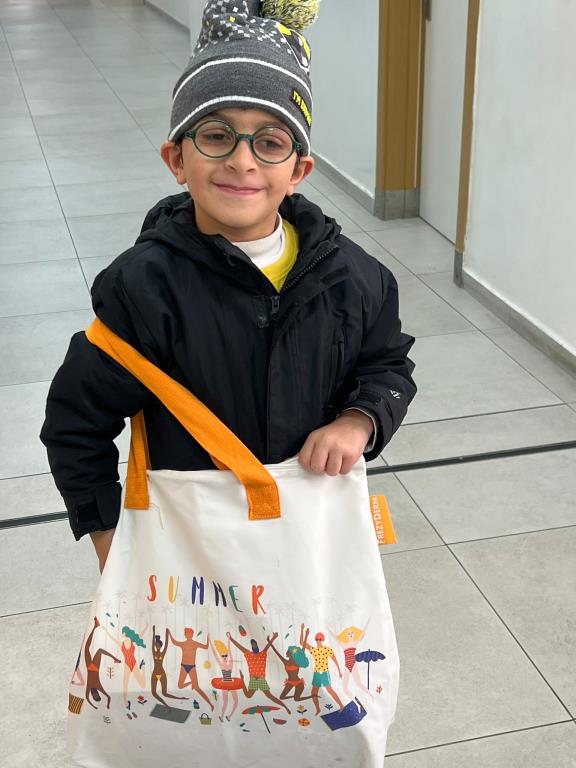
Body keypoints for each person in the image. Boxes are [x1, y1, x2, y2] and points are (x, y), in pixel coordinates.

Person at [40, 1, 416, 573]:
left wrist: (358, 420)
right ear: (177, 159)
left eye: (271, 142)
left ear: (298, 171)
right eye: (217, 135)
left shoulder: (357, 279)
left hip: (308, 542)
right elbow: (76, 421)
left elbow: (387, 366)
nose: (243, 161)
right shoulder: (143, 289)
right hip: (192, 552)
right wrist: (108, 534)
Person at [227, 631, 291, 714]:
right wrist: (231, 639)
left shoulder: (263, 654)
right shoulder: (248, 654)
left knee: (270, 696)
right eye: (252, 645)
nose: (254, 646)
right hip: (253, 680)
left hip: (261, 679)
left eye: (255, 644)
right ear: (251, 647)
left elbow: (268, 645)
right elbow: (239, 646)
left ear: (257, 645)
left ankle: (285, 707)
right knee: (248, 695)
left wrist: (273, 637)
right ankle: (242, 680)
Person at [167, 627, 215, 711]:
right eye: (185, 633)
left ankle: (210, 704)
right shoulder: (183, 644)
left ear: (190, 634)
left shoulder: (195, 644)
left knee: (197, 688)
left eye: (186, 633)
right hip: (184, 666)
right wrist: (169, 633)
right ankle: (191, 682)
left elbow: (206, 647)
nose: (185, 634)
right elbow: (174, 642)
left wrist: (208, 637)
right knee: (180, 685)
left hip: (192, 667)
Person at [301, 625, 344, 715]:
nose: (318, 641)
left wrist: (339, 671)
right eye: (317, 639)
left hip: (324, 673)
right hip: (316, 674)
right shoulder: (313, 650)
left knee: (330, 690)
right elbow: (301, 642)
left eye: (320, 639)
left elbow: (335, 659)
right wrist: (303, 630)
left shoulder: (327, 650)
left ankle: (341, 705)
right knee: (313, 692)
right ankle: (318, 709)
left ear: (323, 640)